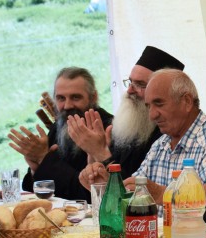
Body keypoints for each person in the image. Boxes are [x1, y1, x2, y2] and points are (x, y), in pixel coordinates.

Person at [130, 69, 206, 214]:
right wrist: (112, 182)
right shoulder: (160, 144)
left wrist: (162, 194)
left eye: (159, 104)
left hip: (199, 229)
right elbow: (137, 186)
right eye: (148, 106)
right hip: (164, 229)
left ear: (186, 101)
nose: (152, 115)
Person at [76, 45, 184, 189]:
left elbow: (136, 190)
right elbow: (104, 183)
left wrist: (100, 153)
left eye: (140, 84)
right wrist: (92, 158)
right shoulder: (128, 124)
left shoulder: (167, 134)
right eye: (130, 82)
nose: (130, 90)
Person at [8, 67, 112, 201]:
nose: (67, 105)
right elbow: (31, 191)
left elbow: (87, 193)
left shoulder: (110, 129)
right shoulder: (59, 126)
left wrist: (43, 159)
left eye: (75, 97)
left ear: (93, 97)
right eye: (61, 98)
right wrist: (36, 169)